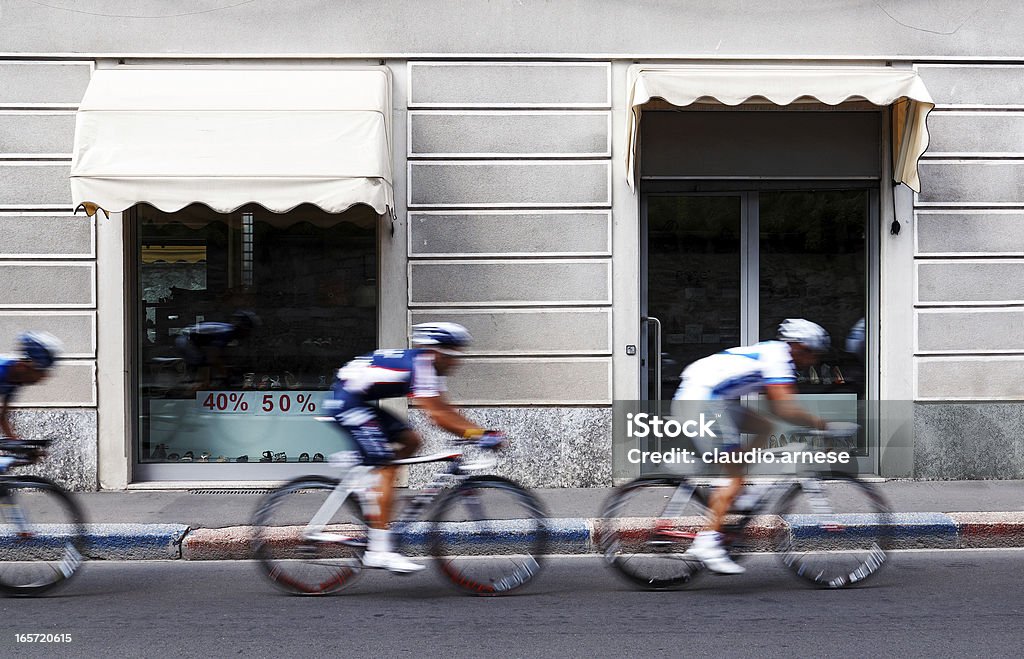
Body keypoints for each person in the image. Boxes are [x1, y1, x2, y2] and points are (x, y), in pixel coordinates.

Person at [324, 322, 502, 573]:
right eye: (454, 355)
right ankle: (379, 551)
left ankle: (373, 484)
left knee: (412, 441)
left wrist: (478, 432)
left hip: (357, 400)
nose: (458, 362)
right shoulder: (422, 367)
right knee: (385, 464)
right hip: (346, 402)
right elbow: (438, 417)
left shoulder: (429, 369)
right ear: (437, 352)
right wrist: (479, 434)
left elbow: (445, 411)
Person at [672, 318, 831, 575]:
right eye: (813, 353)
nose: (814, 360)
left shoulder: (777, 356)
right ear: (799, 346)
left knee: (763, 427)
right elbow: (784, 407)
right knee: (731, 476)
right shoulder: (777, 358)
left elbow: (775, 407)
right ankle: (707, 542)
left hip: (713, 398)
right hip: (702, 400)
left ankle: (737, 485)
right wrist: (823, 425)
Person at [1, 332, 63, 439]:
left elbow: (2, 417)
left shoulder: (15, 379)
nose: (43, 378)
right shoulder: (2, 372)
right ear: (24, 366)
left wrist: (19, 445)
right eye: (41, 371)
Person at [174, 310, 259, 389]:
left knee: (207, 363)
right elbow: (213, 358)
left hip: (189, 339)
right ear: (243, 328)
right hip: (185, 340)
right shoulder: (226, 333)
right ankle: (197, 388)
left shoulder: (228, 330)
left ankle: (200, 383)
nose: (248, 334)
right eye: (248, 331)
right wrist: (226, 376)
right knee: (203, 361)